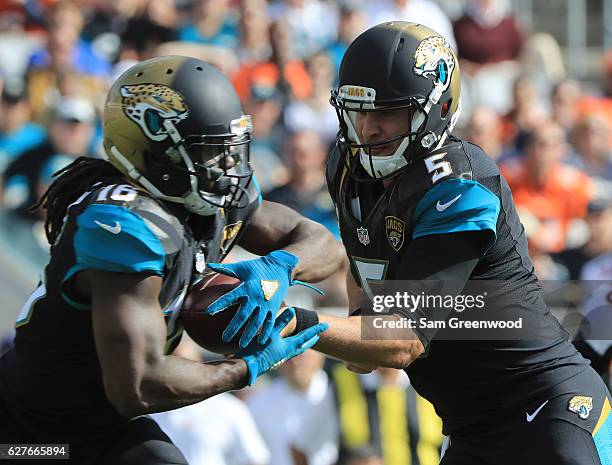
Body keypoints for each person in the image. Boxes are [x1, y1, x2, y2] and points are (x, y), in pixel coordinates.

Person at [209, 23, 611, 464]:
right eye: (357, 111)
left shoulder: (460, 184)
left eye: (386, 113)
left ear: (434, 111)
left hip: (548, 409)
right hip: (469, 428)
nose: (367, 128)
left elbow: (403, 339)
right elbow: (367, 304)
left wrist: (291, 320)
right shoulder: (348, 165)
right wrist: (357, 333)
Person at [0, 56, 341, 465]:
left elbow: (322, 241)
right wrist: (244, 369)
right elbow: (139, 386)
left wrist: (281, 266)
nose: (229, 168)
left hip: (105, 425)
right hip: (27, 436)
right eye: (210, 152)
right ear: (156, 153)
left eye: (230, 149)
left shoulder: (212, 199)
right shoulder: (123, 224)